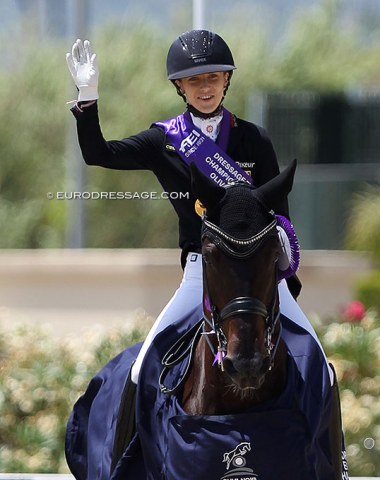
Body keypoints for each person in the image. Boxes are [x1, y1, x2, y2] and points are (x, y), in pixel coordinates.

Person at [66, 30, 330, 387]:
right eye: (194, 80)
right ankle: (130, 445)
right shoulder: (163, 141)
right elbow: (99, 154)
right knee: (140, 369)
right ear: (180, 86)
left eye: (213, 78)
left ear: (226, 80)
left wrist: (280, 276)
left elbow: (280, 219)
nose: (204, 88)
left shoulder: (254, 138)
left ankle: (334, 445)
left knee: (321, 367)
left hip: (257, 270)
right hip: (202, 268)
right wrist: (88, 99)